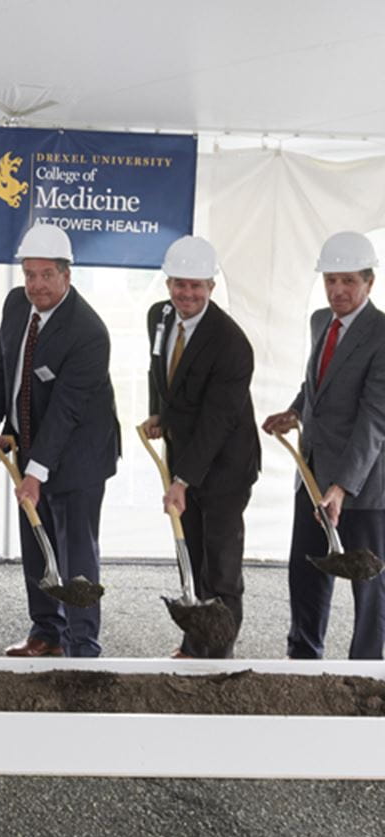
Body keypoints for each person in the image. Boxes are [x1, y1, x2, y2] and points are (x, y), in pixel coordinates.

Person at [0, 223, 119, 658]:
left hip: (79, 454)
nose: (36, 285)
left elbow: (66, 412)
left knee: (75, 553)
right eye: (29, 274)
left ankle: (83, 646)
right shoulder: (16, 305)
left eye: (46, 275)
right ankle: (47, 633)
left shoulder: (88, 332)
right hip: (28, 444)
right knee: (36, 543)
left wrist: (36, 473)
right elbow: (2, 364)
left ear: (66, 275)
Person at [263, 230, 385, 659]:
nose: (338, 290)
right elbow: (317, 382)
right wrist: (295, 411)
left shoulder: (381, 334)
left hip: (364, 487)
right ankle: (303, 659)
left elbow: (375, 418)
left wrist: (341, 488)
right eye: (331, 280)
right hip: (312, 475)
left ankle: (367, 672)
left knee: (368, 585)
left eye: (348, 281)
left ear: (369, 282)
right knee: (308, 572)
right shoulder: (320, 321)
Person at [140, 236, 260, 658]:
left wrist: (182, 480)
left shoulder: (231, 343)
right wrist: (159, 413)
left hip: (226, 465)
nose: (186, 294)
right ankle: (195, 644)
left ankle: (220, 653)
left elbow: (217, 421)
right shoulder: (159, 316)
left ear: (211, 286)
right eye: (179, 285)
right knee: (189, 553)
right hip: (185, 455)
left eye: (196, 286)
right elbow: (160, 370)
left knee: (221, 565)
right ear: (168, 282)